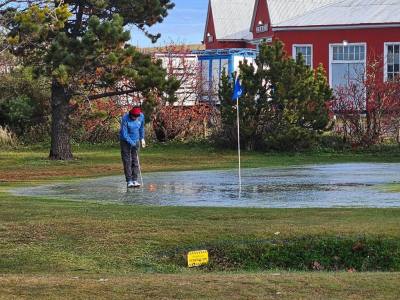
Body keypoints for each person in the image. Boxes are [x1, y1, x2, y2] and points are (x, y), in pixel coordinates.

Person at [119, 106, 146, 188]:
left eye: (136, 117)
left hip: (136, 140)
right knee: (127, 161)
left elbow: (141, 128)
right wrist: (131, 143)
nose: (135, 118)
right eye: (133, 116)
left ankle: (135, 180)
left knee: (135, 160)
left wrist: (142, 138)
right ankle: (129, 181)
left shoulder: (141, 116)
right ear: (130, 114)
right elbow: (124, 133)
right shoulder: (125, 118)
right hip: (125, 141)